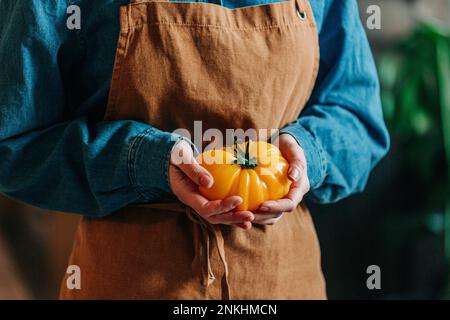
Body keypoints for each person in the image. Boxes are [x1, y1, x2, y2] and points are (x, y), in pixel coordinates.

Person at [0, 0, 389, 299]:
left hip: (282, 278)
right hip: (131, 282)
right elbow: (13, 143)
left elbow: (358, 118)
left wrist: (308, 152)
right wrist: (145, 161)